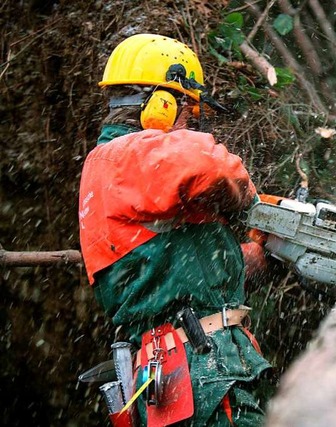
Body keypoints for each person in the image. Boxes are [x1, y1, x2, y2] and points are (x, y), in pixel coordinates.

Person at [78, 33, 270, 426]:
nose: (187, 125)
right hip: (198, 369)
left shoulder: (127, 170)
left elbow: (169, 270)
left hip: (186, 368)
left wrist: (253, 256)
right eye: (188, 112)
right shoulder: (124, 156)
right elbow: (213, 167)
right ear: (163, 105)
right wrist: (251, 202)